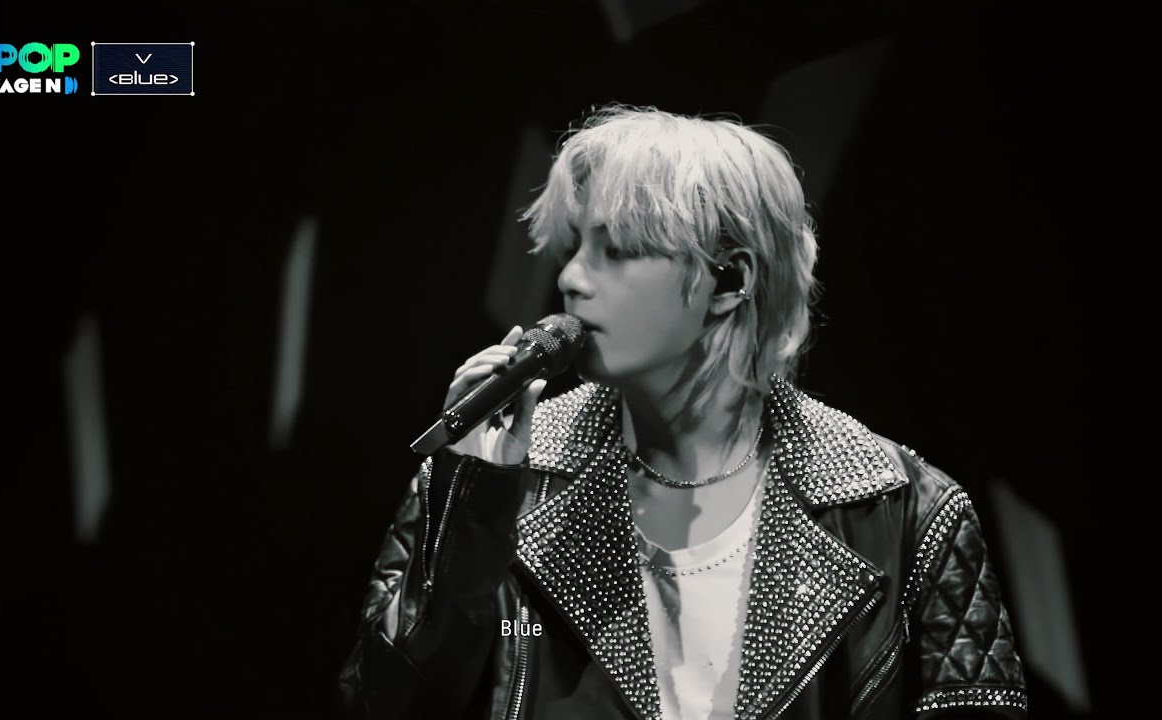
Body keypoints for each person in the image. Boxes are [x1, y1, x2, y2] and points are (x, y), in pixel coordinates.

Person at [338, 105, 1026, 719]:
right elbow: (386, 703)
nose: (571, 277)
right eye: (575, 247)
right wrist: (470, 511)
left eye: (617, 251)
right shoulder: (495, 475)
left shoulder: (903, 512)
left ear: (728, 281)